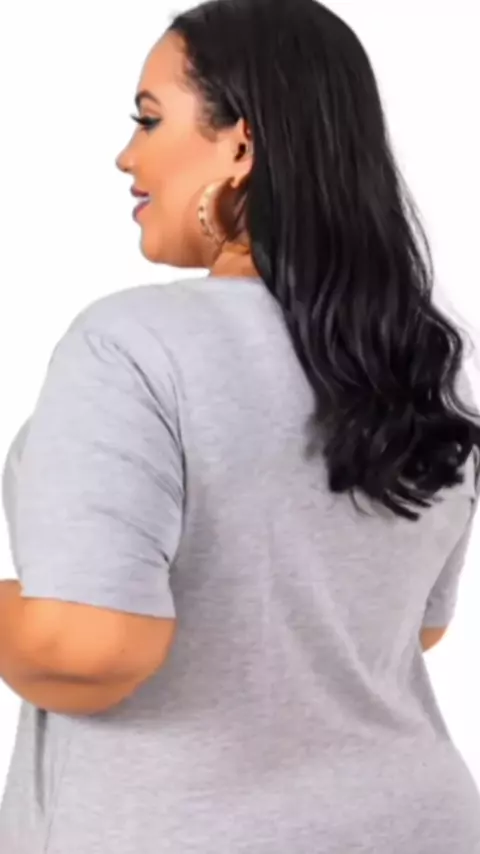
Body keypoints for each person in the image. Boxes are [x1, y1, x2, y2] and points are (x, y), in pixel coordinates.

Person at [1, 0, 480, 851]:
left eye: (150, 119)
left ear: (241, 145)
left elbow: (87, 650)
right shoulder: (416, 358)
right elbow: (410, 626)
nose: (127, 155)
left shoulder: (132, 344)